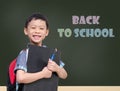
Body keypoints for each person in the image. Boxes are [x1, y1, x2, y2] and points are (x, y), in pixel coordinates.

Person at [14, 13, 68, 91]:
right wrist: (43, 74)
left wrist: (57, 68)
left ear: (46, 32)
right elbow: (20, 78)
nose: (37, 31)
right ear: (26, 31)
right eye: (33, 28)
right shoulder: (24, 53)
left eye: (41, 28)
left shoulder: (50, 53)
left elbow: (64, 75)